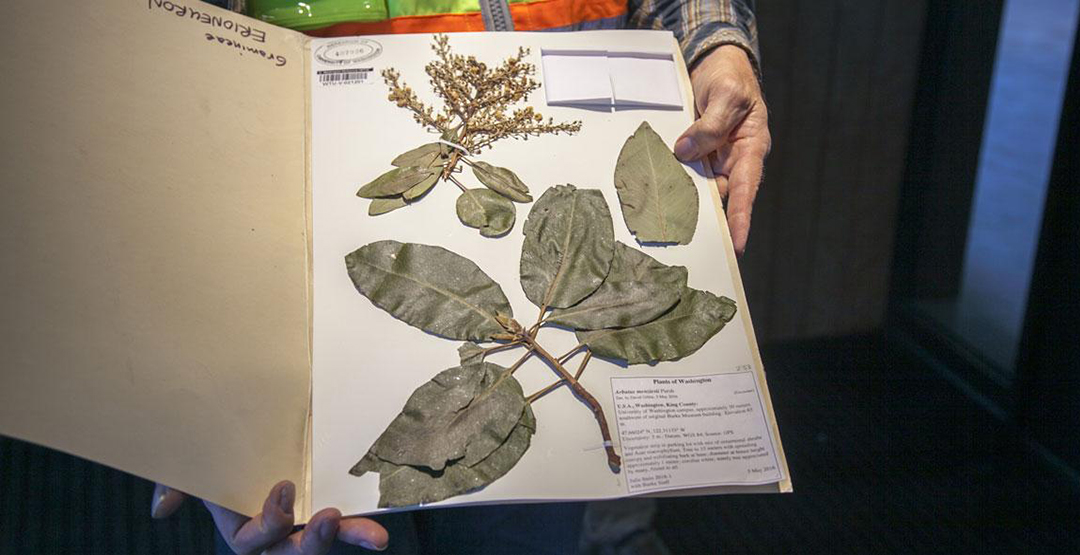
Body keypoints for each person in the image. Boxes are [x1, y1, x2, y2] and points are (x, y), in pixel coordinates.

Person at [151, 0, 769, 553]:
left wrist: (716, 42)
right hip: (290, 253)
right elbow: (158, 53)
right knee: (326, 515)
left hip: (573, 107)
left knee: (526, 531)